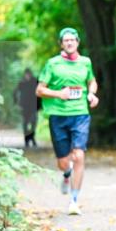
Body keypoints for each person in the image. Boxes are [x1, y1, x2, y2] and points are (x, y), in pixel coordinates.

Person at [36, 28, 99, 215]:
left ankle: (74, 200)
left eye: (73, 40)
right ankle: (66, 174)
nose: (70, 43)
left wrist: (93, 94)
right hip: (58, 116)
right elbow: (39, 90)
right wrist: (58, 94)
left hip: (80, 114)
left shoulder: (85, 62)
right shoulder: (52, 64)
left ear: (78, 43)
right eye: (66, 40)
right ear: (61, 44)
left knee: (79, 155)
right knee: (63, 162)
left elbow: (92, 81)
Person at [14, 68, 39, 148]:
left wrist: (40, 105)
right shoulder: (22, 83)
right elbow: (14, 93)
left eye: (28, 74)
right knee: (25, 124)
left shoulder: (35, 81)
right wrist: (16, 103)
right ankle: (27, 140)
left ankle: (32, 138)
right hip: (24, 106)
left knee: (33, 123)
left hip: (33, 106)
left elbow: (40, 92)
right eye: (26, 74)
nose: (27, 76)